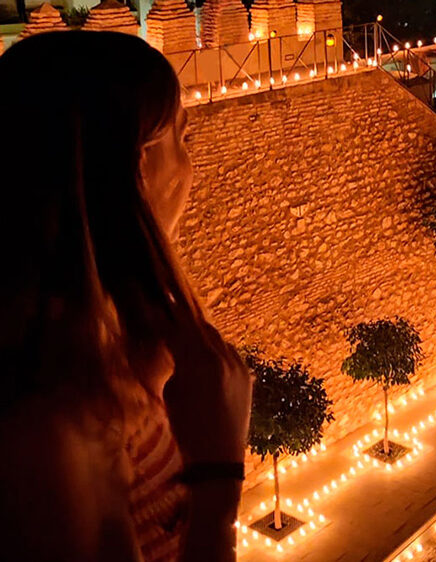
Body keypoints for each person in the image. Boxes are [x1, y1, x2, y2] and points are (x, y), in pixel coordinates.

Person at [0, 31, 253, 561]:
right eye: (183, 140)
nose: (191, 167)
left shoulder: (95, 357)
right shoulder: (54, 428)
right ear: (136, 168)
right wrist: (218, 478)